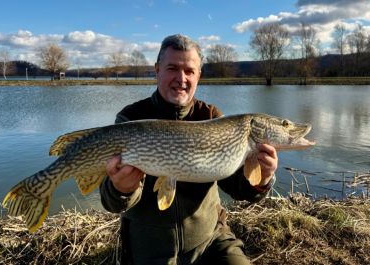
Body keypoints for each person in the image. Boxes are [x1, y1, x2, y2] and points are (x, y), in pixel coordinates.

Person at [100, 34, 278, 265]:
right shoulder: (130, 119)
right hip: (151, 248)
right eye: (172, 68)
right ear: (157, 70)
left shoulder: (211, 116)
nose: (181, 78)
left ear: (199, 76)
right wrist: (121, 189)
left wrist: (262, 179)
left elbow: (236, 187)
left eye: (189, 71)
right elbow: (110, 201)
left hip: (210, 238)